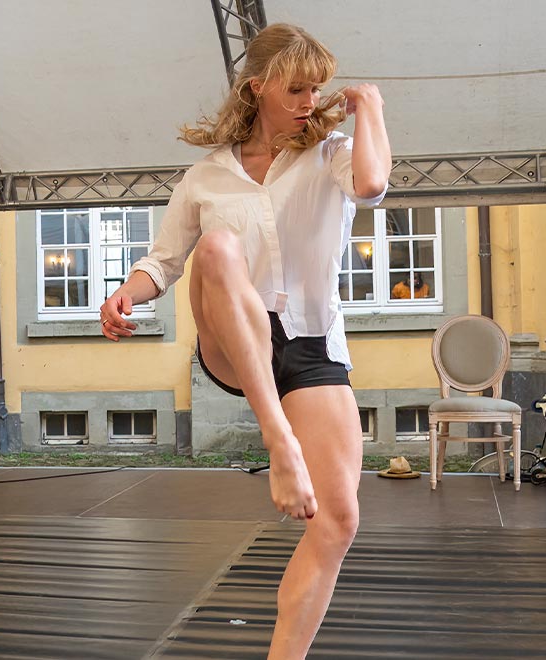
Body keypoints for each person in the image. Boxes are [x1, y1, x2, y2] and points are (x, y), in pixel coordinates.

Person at [99, 24, 390, 658]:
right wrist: (126, 291)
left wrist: (370, 106)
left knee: (338, 522)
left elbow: (371, 185)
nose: (310, 99)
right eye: (295, 88)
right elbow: (164, 261)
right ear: (256, 87)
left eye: (317, 87)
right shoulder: (206, 176)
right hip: (235, 338)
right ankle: (277, 439)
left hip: (311, 341)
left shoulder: (333, 151)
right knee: (218, 248)